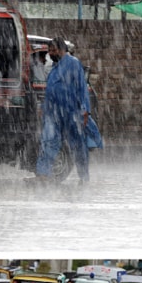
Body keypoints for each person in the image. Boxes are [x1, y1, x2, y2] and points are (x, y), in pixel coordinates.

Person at [30, 36, 91, 184]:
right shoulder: (53, 68)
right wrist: (44, 108)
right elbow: (51, 91)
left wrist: (85, 109)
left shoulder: (73, 64)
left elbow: (82, 88)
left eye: (53, 50)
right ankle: (42, 174)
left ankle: (83, 176)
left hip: (72, 112)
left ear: (62, 50)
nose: (51, 53)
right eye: (49, 50)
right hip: (53, 112)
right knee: (49, 140)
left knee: (78, 145)